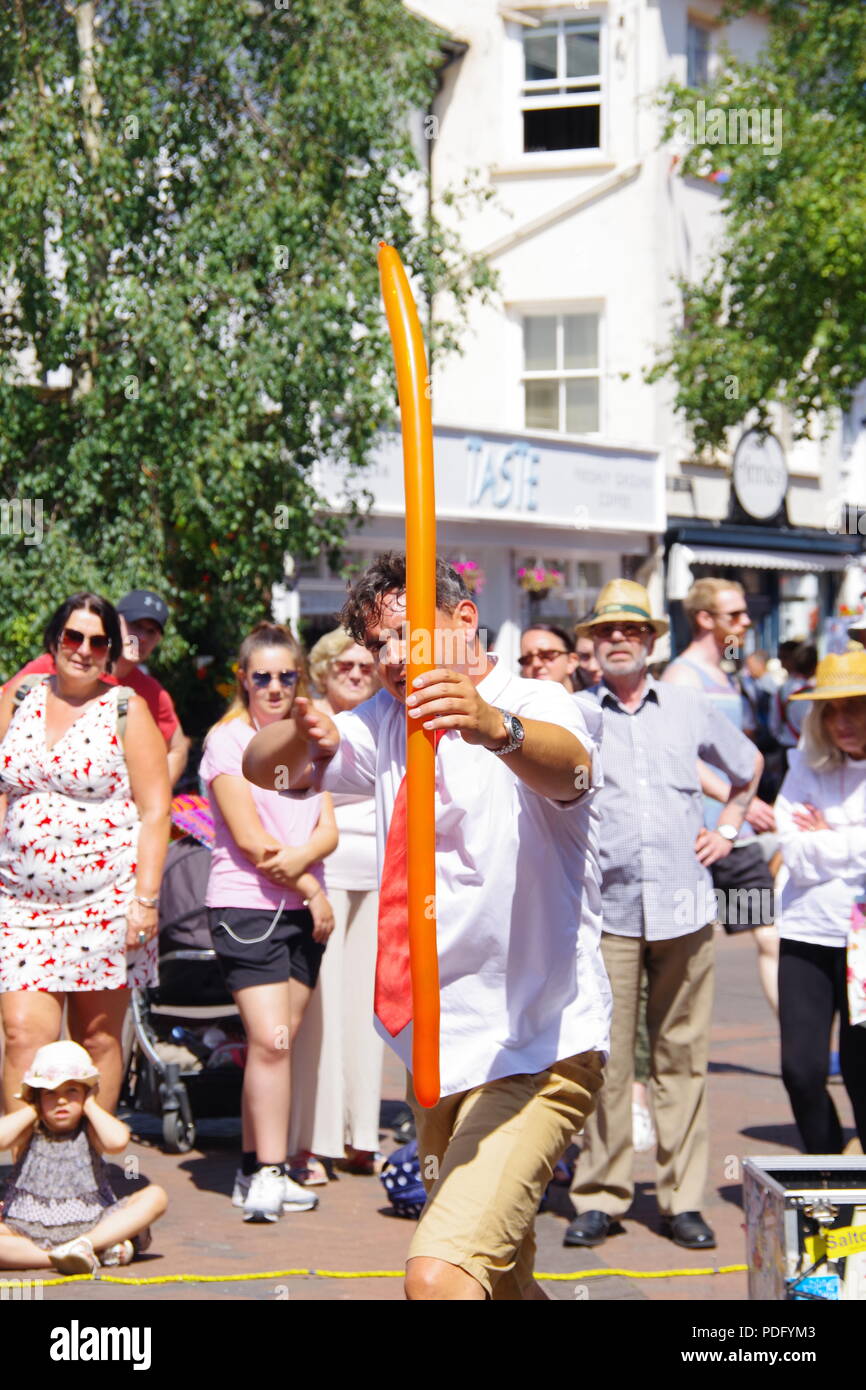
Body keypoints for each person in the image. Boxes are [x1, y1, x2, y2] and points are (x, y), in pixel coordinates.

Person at [244, 553, 610, 1302]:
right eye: (378, 645)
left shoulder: (533, 698)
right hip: (437, 1052)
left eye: (407, 635)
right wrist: (301, 730)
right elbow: (265, 770)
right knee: (500, 1281)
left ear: (463, 621)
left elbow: (572, 773)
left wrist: (492, 726)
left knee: (438, 1279)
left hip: (540, 1046)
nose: (391, 658)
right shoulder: (386, 720)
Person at [566, 580, 761, 1251]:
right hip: (608, 910)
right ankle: (600, 1196)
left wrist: (728, 828)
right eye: (606, 630)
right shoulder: (574, 714)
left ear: (651, 641)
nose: (618, 639)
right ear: (592, 644)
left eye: (631, 630)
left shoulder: (686, 706)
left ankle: (682, 1199)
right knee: (606, 1060)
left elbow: (748, 766)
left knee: (682, 1058)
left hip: (684, 906)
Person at [0, 593, 171, 1115]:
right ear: (55, 639)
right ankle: (22, 1176)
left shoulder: (126, 709)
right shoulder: (18, 695)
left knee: (95, 1041)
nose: (83, 650)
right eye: (73, 637)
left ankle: (88, 1170)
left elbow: (157, 811)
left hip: (106, 904)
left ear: (111, 652)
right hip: (21, 904)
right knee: (23, 1035)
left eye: (99, 642)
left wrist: (145, 901)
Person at [198, 621, 338, 1223]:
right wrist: (312, 886)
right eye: (263, 677)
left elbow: (328, 827)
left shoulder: (307, 737)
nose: (276, 687)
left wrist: (308, 877)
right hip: (247, 908)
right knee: (271, 1041)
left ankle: (254, 1168)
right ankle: (271, 1175)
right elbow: (253, 843)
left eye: (287, 675)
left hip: (303, 913)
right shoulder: (227, 742)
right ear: (243, 680)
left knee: (275, 1045)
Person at [288, 628, 383, 1183]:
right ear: (322, 671)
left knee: (367, 1010)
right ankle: (314, 1142)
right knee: (322, 1014)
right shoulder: (310, 726)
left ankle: (360, 1133)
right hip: (322, 876)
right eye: (343, 664)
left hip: (378, 874)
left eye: (364, 665)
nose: (355, 672)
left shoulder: (379, 720)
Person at [664, 578, 778, 1011]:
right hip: (701, 832)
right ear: (704, 619)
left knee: (769, 932)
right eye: (735, 615)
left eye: (745, 613)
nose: (746, 622)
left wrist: (743, 804)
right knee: (691, 949)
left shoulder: (725, 671)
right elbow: (680, 755)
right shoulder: (681, 676)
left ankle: (802, 1050)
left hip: (734, 831)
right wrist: (741, 798)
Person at [774, 651, 866, 1152]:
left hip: (862, 946)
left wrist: (827, 835)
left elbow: (815, 853)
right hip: (806, 933)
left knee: (862, 1074)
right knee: (801, 1070)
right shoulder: (802, 769)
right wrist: (851, 841)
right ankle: (828, 1174)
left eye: (854, 706)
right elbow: (795, 852)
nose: (842, 720)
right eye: (831, 709)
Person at [0, 1041, 167, 1274]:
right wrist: (33, 1108)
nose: (61, 1101)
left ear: (87, 1093)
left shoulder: (90, 1128)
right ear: (37, 1097)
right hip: (28, 1226)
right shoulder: (31, 1128)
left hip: (92, 1223)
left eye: (72, 1091)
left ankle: (86, 1245)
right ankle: (63, 1257)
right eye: (50, 1093)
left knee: (156, 1196)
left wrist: (90, 1105)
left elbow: (118, 1141)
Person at [10, 588, 190, 787]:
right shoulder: (57, 667)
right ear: (114, 623)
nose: (142, 638)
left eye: (151, 631)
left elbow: (178, 747)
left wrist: (154, 796)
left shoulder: (153, 693)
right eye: (134, 626)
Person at [517, 624, 579, 691]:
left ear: (571, 661)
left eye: (546, 655)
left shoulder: (589, 700)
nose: (536, 664)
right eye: (527, 659)